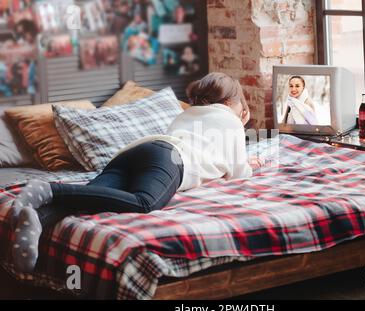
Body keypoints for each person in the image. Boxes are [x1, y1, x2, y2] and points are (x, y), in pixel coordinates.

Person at [7, 72, 262, 272]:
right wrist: (241, 125)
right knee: (143, 202)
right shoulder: (231, 120)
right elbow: (239, 172)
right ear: (231, 102)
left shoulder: (186, 113)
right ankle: (51, 189)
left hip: (136, 151)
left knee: (91, 195)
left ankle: (38, 219)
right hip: (170, 158)